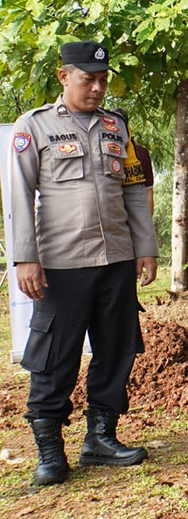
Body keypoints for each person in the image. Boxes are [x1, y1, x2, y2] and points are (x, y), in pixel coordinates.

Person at [9, 41, 159, 486]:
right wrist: (24, 257)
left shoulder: (117, 126)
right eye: (87, 80)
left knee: (116, 349)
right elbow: (19, 194)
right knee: (55, 356)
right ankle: (50, 453)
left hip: (116, 258)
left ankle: (100, 439)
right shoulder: (34, 126)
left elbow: (133, 189)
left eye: (102, 81)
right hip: (61, 264)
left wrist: (145, 247)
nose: (97, 88)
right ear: (64, 77)